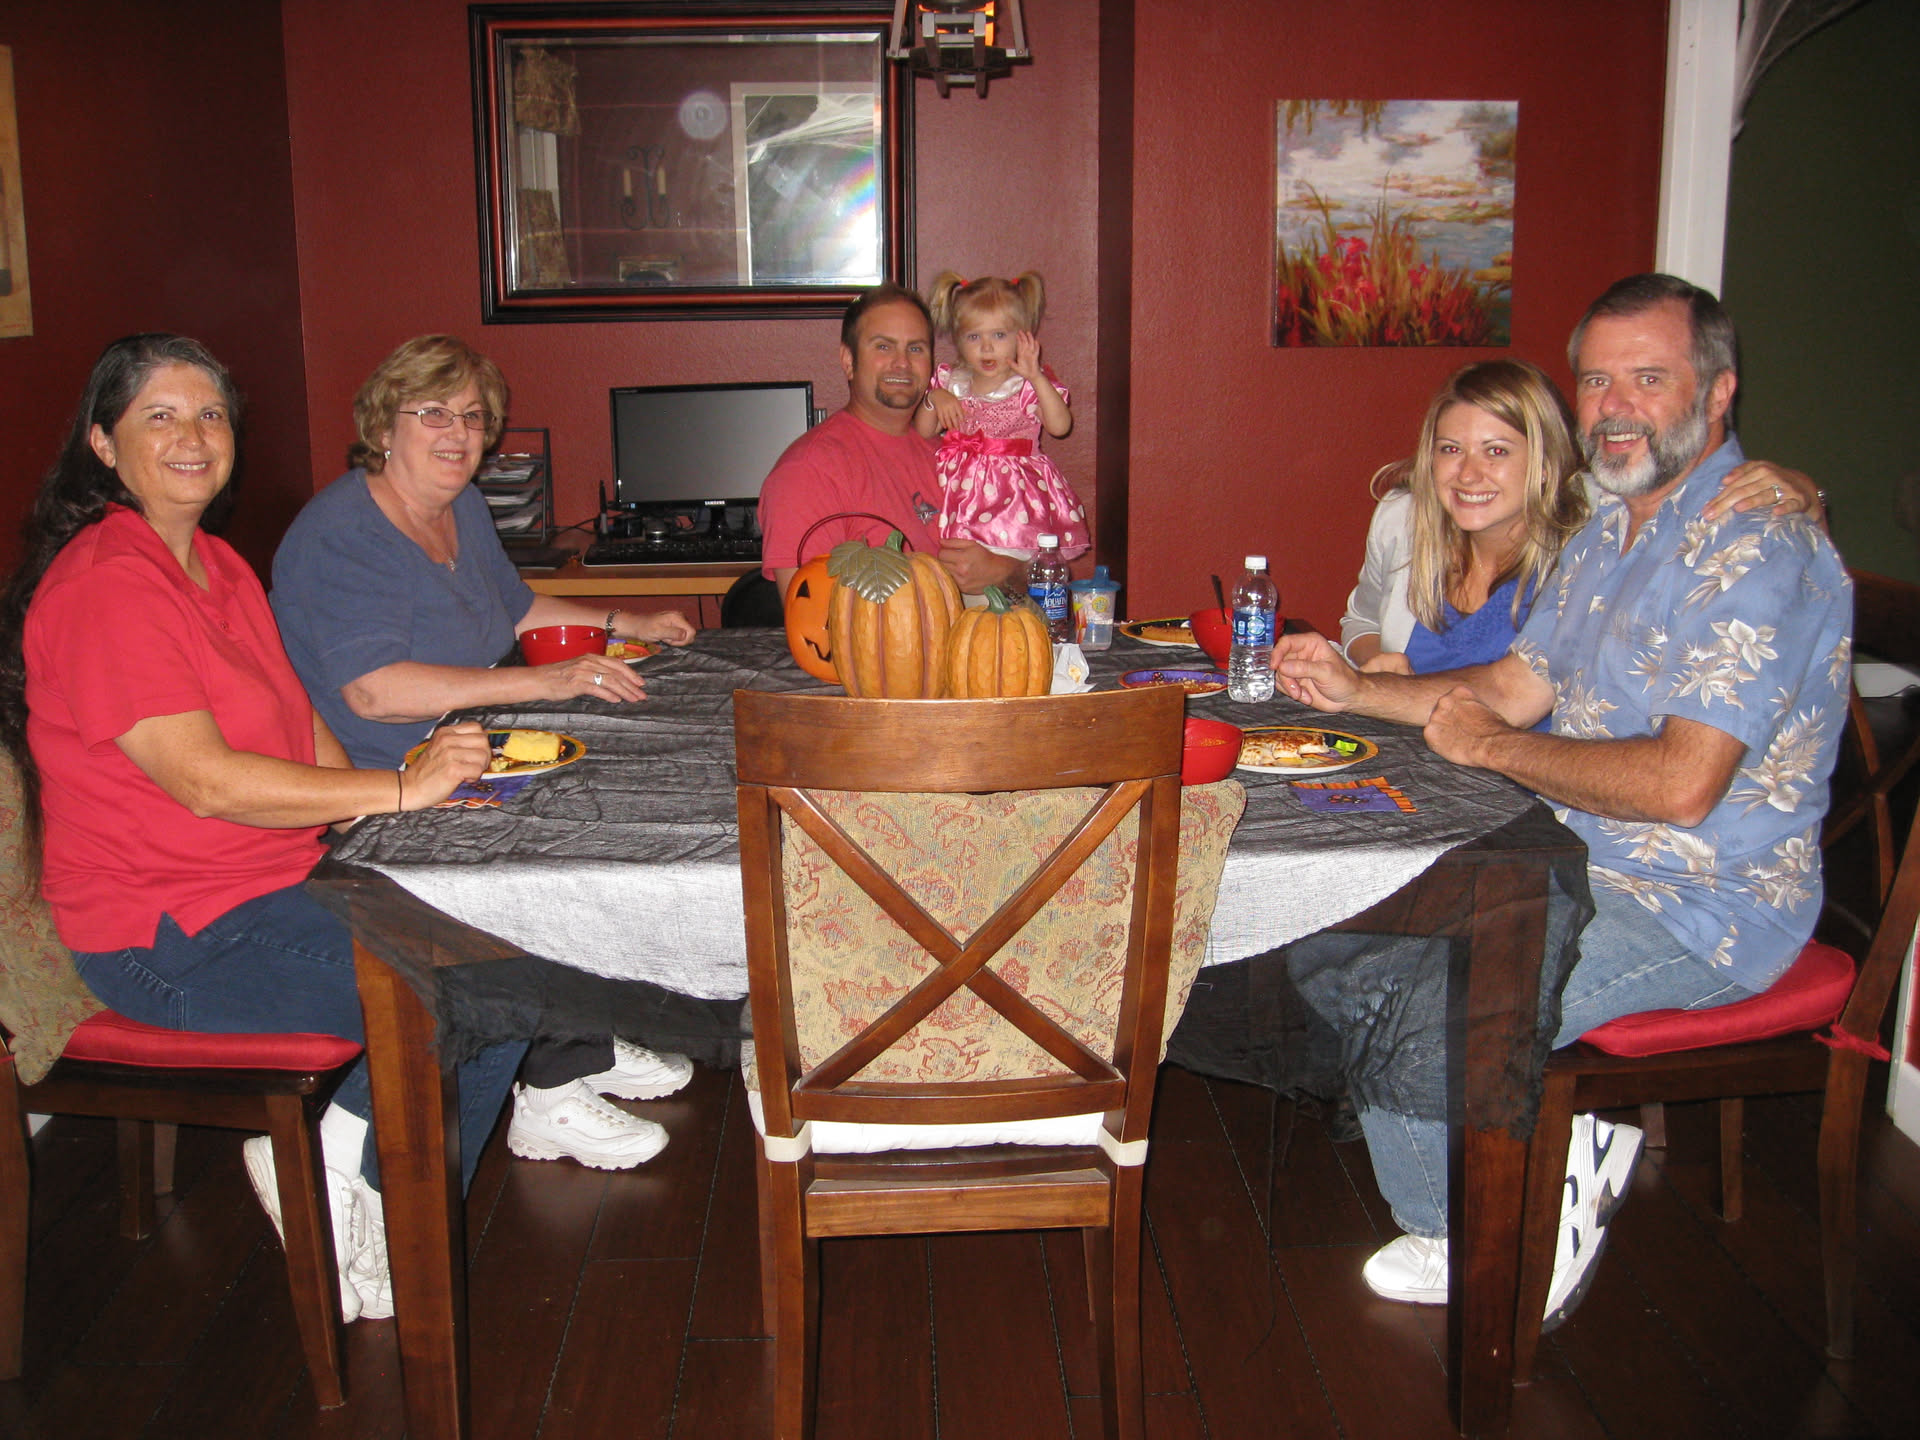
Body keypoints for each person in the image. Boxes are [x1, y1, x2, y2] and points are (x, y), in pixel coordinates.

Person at [1272, 275, 1852, 1326]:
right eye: (1595, 380)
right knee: (1335, 930)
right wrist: (1359, 692)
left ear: (1718, 392)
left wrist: (1494, 748)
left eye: (1648, 378)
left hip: (1700, 905)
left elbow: (1680, 784)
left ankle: (1494, 1231)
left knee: (1430, 1008)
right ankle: (1515, 1167)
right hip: (1565, 858)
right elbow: (1509, 687)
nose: (1614, 406)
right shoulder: (1601, 538)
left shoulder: (1759, 545)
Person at [0, 333, 530, 1322]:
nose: (193, 437)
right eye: (161, 416)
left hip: (277, 887)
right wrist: (401, 789)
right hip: (172, 937)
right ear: (103, 445)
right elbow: (205, 784)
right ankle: (375, 1212)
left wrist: (371, 814)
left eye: (211, 415)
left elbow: (303, 720)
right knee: (483, 992)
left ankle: (350, 1178)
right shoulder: (105, 586)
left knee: (510, 949)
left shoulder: (217, 565)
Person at [271, 335, 698, 1174]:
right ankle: (548, 1086)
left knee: (611, 790)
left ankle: (575, 1033)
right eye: (433, 413)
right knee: (561, 843)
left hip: (475, 752)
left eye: (472, 416)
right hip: (386, 789)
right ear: (382, 427)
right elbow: (373, 692)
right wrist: (545, 683)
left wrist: (627, 622)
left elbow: (516, 608)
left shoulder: (459, 506)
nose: (458, 433)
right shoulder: (343, 535)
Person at [1342, 364, 1828, 674]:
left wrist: (1807, 495)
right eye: (1451, 449)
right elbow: (1360, 620)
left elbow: (1707, 507)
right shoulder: (1403, 520)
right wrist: (1378, 663)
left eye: (1497, 451)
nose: (1468, 473)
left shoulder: (1603, 519)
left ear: (1545, 461)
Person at [760, 284, 1030, 600]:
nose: (901, 363)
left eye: (915, 349)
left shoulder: (958, 456)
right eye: (883, 347)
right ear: (848, 360)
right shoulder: (807, 472)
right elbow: (813, 617)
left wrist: (1006, 572)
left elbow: (1037, 568)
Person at [916, 270, 1089, 561]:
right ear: (958, 340)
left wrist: (1037, 378)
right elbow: (923, 431)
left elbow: (1060, 426)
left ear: (1022, 337)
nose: (986, 347)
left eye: (999, 335)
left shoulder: (1027, 386)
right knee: (957, 564)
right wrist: (934, 398)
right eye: (974, 336)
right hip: (957, 494)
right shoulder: (951, 383)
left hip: (1013, 498)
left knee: (1008, 565)